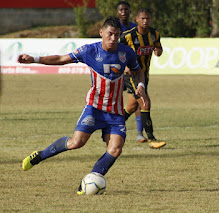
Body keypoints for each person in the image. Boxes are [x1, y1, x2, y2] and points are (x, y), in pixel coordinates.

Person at [18, 16, 146, 194]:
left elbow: (138, 72)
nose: (113, 39)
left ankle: (89, 181)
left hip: (115, 113)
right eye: (110, 34)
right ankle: (40, 155)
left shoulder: (127, 53)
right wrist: (35, 59)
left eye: (117, 35)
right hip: (94, 108)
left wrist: (141, 86)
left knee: (115, 149)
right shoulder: (89, 51)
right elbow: (62, 58)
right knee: (75, 143)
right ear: (101, 33)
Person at [120, 8, 166, 149]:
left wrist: (159, 51)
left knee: (132, 106)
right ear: (137, 20)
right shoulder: (128, 36)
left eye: (148, 18)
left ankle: (112, 126)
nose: (145, 21)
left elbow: (159, 49)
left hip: (144, 75)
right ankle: (151, 139)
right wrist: (124, 66)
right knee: (145, 102)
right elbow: (117, 52)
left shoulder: (155, 34)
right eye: (142, 19)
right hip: (131, 75)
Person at [117, 1, 147, 143]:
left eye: (126, 9)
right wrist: (123, 65)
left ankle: (140, 133)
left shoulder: (136, 28)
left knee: (136, 102)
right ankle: (112, 126)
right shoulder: (114, 27)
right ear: (117, 12)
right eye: (121, 10)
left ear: (130, 12)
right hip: (118, 71)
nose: (124, 12)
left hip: (132, 71)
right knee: (117, 101)